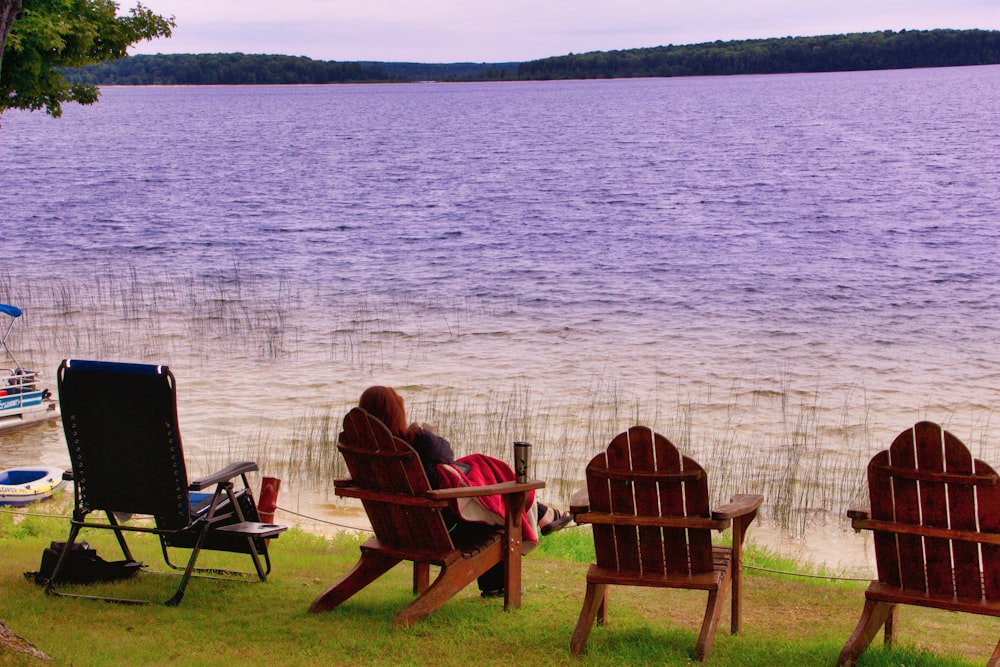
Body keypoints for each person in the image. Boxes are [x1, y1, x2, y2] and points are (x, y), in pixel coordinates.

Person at [357, 385, 573, 596]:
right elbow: (445, 453)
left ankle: (544, 516)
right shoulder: (416, 442)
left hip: (398, 530)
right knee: (499, 505)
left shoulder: (362, 454)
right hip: (443, 530)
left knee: (489, 490)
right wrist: (423, 432)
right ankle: (544, 517)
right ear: (396, 414)